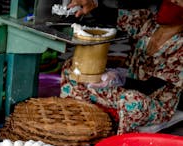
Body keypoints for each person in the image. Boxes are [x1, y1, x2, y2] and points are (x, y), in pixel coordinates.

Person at [61, 0, 183, 134]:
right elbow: (114, 17)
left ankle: (118, 143)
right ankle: (76, 122)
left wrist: (117, 79)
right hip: (125, 89)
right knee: (74, 68)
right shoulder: (148, 22)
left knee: (132, 100)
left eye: (176, 2)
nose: (169, 4)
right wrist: (92, 5)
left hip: (155, 104)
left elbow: (150, 87)